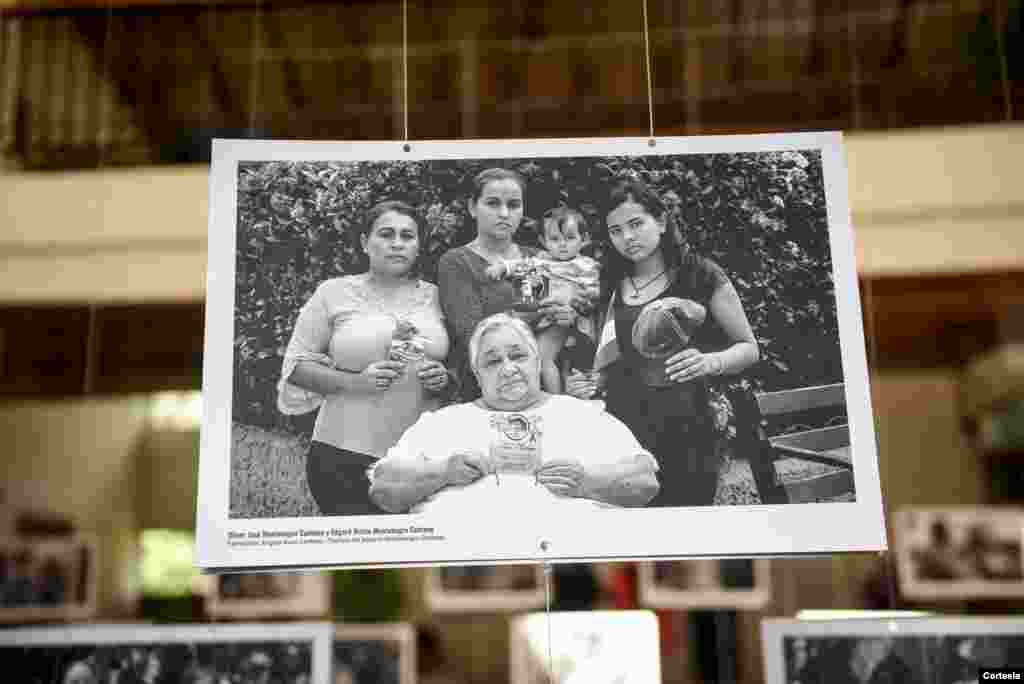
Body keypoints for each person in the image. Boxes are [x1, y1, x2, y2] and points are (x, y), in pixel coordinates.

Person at [567, 178, 760, 507]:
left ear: (661, 220)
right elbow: (612, 358)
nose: (627, 237)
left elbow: (749, 348)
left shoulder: (700, 275)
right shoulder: (610, 282)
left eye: (636, 224)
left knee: (682, 525)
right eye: (615, 230)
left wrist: (710, 361)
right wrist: (588, 382)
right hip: (623, 428)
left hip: (689, 426)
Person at [368, 314, 659, 513]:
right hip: (466, 569)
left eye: (518, 356)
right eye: (493, 361)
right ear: (478, 376)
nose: (508, 368)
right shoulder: (444, 422)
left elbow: (645, 483)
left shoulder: (583, 415)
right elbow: (383, 488)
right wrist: (441, 474)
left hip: (567, 566)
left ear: (536, 361)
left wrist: (588, 483)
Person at [278, 200, 451, 516]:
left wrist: (445, 377)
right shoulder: (333, 292)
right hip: (342, 455)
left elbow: (465, 362)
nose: (397, 243)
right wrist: (356, 382)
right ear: (364, 242)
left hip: (420, 460)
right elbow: (296, 367)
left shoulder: (439, 296)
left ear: (418, 245)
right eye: (386, 234)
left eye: (407, 236)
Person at [437, 168, 579, 400]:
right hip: (487, 389)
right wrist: (535, 314)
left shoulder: (537, 257)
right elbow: (473, 335)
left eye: (513, 205)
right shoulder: (456, 262)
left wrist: (565, 317)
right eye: (493, 203)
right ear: (473, 207)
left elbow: (548, 319)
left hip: (543, 386)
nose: (504, 213)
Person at [485, 206, 601, 393]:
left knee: (543, 357)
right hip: (542, 318)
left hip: (566, 320)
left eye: (570, 238)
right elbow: (521, 266)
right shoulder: (542, 261)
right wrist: (502, 267)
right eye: (555, 239)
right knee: (543, 357)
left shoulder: (584, 265)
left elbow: (592, 294)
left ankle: (555, 399)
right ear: (543, 241)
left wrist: (574, 303)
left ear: (584, 239)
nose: (562, 244)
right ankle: (552, 394)